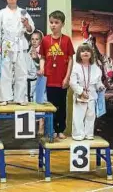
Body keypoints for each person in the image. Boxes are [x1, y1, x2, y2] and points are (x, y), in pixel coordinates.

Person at [0, 0, 35, 106]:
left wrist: (26, 24)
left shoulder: (23, 12)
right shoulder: (1, 13)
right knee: (5, 72)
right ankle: (4, 97)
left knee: (21, 72)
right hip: (6, 45)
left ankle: (20, 98)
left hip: (20, 44)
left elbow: (31, 29)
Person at [38, 10, 75, 139]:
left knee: (61, 105)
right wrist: (42, 68)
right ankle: (51, 129)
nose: (53, 25)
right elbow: (42, 57)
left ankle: (60, 130)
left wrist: (67, 77)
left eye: (56, 22)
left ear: (62, 24)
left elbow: (70, 59)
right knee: (50, 105)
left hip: (61, 79)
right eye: (51, 22)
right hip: (48, 79)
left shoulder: (66, 40)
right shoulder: (45, 40)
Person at [70, 43, 105, 141]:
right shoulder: (75, 67)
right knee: (78, 115)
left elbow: (98, 82)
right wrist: (81, 92)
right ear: (78, 54)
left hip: (92, 95)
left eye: (87, 51)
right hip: (80, 95)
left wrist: (100, 87)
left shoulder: (96, 68)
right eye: (82, 51)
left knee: (91, 115)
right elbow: (72, 83)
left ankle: (89, 134)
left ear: (91, 54)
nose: (85, 53)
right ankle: (78, 135)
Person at [26, 30, 46, 135]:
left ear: (41, 40)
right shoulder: (28, 50)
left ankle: (41, 126)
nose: (34, 41)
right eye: (32, 39)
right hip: (29, 80)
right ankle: (29, 127)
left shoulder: (42, 51)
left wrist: (37, 59)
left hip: (40, 80)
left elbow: (44, 65)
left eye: (36, 39)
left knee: (39, 102)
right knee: (30, 102)